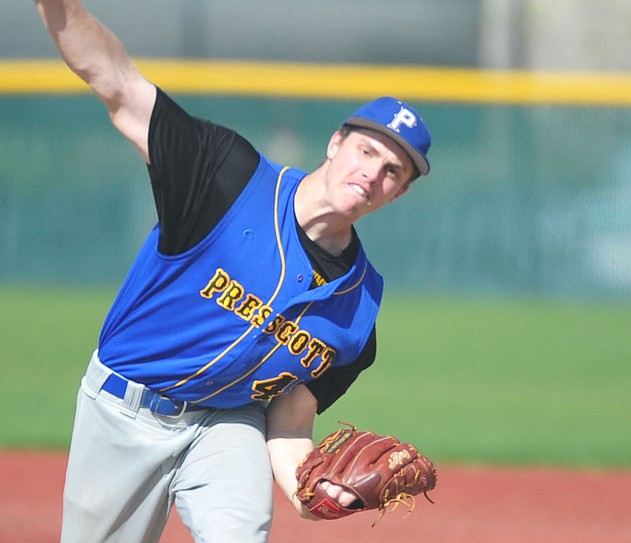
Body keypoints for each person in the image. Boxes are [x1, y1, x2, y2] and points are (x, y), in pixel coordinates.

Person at [34, 1, 432, 541]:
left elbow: (290, 422)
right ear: (336, 143)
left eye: (392, 171)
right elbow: (118, 83)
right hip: (124, 411)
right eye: (366, 150)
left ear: (400, 193)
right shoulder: (225, 176)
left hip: (227, 422)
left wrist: (310, 493)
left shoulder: (358, 312)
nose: (372, 174)